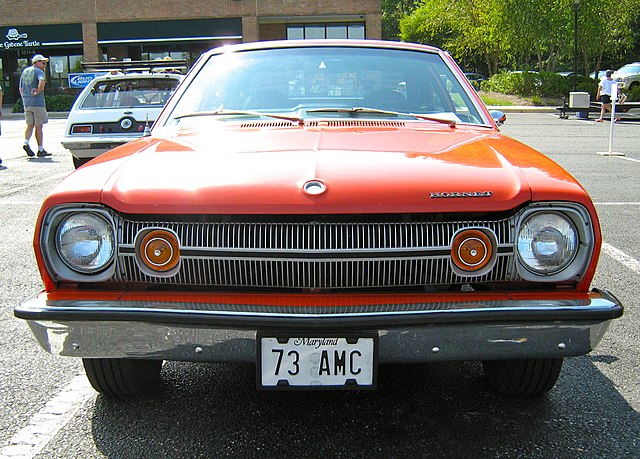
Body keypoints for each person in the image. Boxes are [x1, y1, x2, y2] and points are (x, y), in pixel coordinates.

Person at [19, 54, 51, 157]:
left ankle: (26, 142)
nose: (44, 64)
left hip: (27, 103)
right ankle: (40, 149)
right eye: (42, 62)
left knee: (29, 125)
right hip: (37, 103)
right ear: (36, 62)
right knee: (39, 126)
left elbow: (20, 88)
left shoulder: (25, 72)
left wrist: (25, 97)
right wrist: (38, 91)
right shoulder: (39, 71)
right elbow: (42, 82)